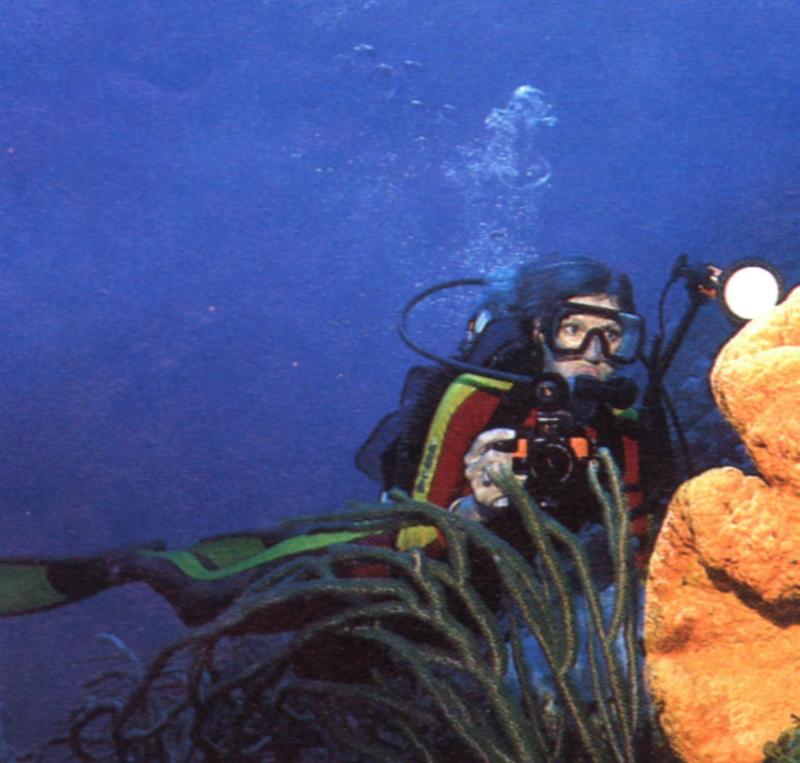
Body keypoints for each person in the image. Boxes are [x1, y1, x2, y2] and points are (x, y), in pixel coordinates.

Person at [0, 255, 670, 627]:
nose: (595, 352)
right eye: (574, 329)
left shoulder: (624, 426)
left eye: (615, 334)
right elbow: (413, 528)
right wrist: (475, 507)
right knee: (204, 599)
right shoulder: (477, 396)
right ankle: (125, 564)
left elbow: (646, 536)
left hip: (474, 600)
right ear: (537, 330)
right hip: (381, 569)